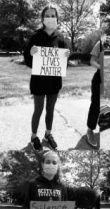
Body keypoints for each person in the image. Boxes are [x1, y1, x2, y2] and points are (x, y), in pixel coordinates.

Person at [25, 7, 69, 152]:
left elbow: (63, 64)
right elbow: (28, 61)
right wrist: (30, 54)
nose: (50, 18)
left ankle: (48, 134)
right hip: (38, 81)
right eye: (47, 15)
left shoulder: (61, 38)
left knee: (50, 109)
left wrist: (67, 56)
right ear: (43, 18)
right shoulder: (35, 36)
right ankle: (33, 137)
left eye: (53, 15)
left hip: (54, 82)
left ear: (57, 18)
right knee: (38, 109)